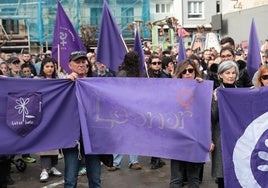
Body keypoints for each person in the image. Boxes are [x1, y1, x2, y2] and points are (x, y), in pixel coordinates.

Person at [63, 51, 101, 188]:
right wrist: (66, 83)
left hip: (93, 137)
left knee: (95, 179)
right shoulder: (64, 84)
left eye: (83, 61)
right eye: (77, 62)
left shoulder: (95, 82)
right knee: (70, 180)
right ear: (70, 65)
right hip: (73, 138)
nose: (81, 64)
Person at [170, 59, 209, 188]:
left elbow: (207, 114)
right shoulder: (171, 89)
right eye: (184, 71)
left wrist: (202, 89)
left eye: (190, 70)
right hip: (177, 138)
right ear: (180, 73)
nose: (187, 73)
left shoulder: (202, 88)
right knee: (176, 179)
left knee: (194, 179)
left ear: (195, 72)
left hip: (194, 139)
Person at [107, 51, 142, 171]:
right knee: (121, 135)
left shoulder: (137, 74)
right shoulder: (123, 74)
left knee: (133, 135)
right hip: (123, 109)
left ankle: (133, 161)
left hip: (134, 108)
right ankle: (116, 162)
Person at [211, 60, 240, 188]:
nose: (231, 76)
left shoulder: (241, 92)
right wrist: (216, 101)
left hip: (238, 140)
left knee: (239, 174)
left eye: (233, 73)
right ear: (220, 75)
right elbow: (211, 117)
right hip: (221, 140)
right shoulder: (215, 93)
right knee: (223, 176)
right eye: (227, 73)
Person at [34, 57, 62, 182]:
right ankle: (44, 170)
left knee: (55, 142)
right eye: (47, 66)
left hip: (56, 115)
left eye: (52, 66)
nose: (50, 69)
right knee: (44, 143)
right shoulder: (36, 80)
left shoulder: (59, 80)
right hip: (41, 115)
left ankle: (52, 167)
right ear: (42, 68)